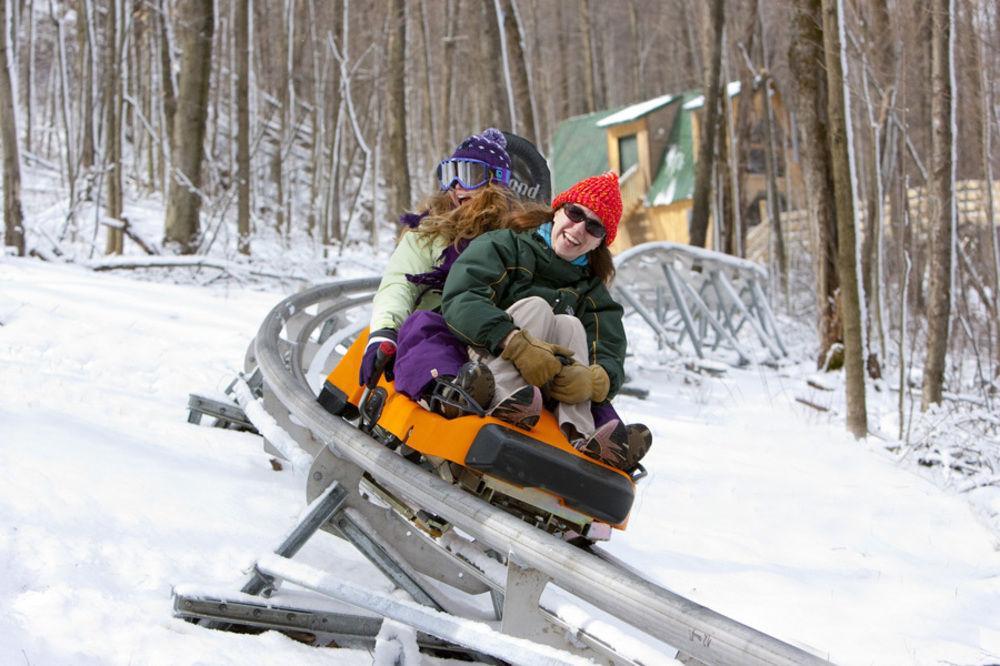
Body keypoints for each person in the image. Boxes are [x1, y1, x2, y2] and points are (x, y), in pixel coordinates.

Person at [440, 172, 651, 472]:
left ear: (600, 243)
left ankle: (578, 436)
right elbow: (463, 296)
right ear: (558, 210)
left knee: (571, 325)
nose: (578, 230)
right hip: (488, 360)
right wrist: (513, 341)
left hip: (550, 382)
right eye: (575, 213)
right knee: (538, 307)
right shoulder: (505, 245)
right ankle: (505, 402)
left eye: (593, 227)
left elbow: (609, 347)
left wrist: (595, 379)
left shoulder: (591, 291)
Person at [359, 128, 533, 412]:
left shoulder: (514, 240)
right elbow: (399, 283)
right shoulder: (429, 233)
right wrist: (385, 331)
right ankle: (447, 391)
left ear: (496, 182)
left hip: (490, 333)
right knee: (422, 327)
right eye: (450, 173)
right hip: (439, 327)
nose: (457, 187)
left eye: (470, 174)